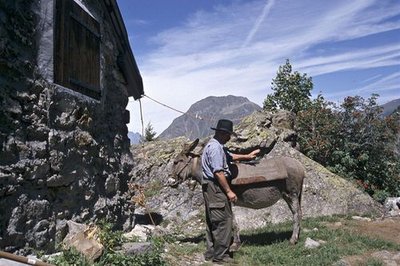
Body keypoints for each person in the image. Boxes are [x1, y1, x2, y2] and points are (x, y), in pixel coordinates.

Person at [201, 119, 260, 263]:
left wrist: (248, 156)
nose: (229, 138)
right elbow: (218, 172)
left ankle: (211, 252)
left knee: (213, 219)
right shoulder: (215, 149)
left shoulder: (216, 146)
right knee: (223, 221)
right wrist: (228, 191)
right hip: (216, 187)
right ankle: (221, 257)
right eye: (228, 135)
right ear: (223, 133)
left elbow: (230, 156)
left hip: (211, 187)